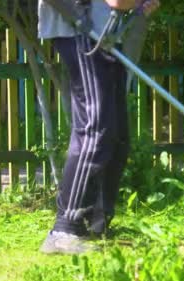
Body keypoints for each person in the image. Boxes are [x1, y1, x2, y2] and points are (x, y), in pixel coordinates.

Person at [38, 0, 160, 254]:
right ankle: (64, 229)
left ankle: (96, 222)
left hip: (108, 33)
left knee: (116, 134)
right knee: (96, 128)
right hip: (81, 30)